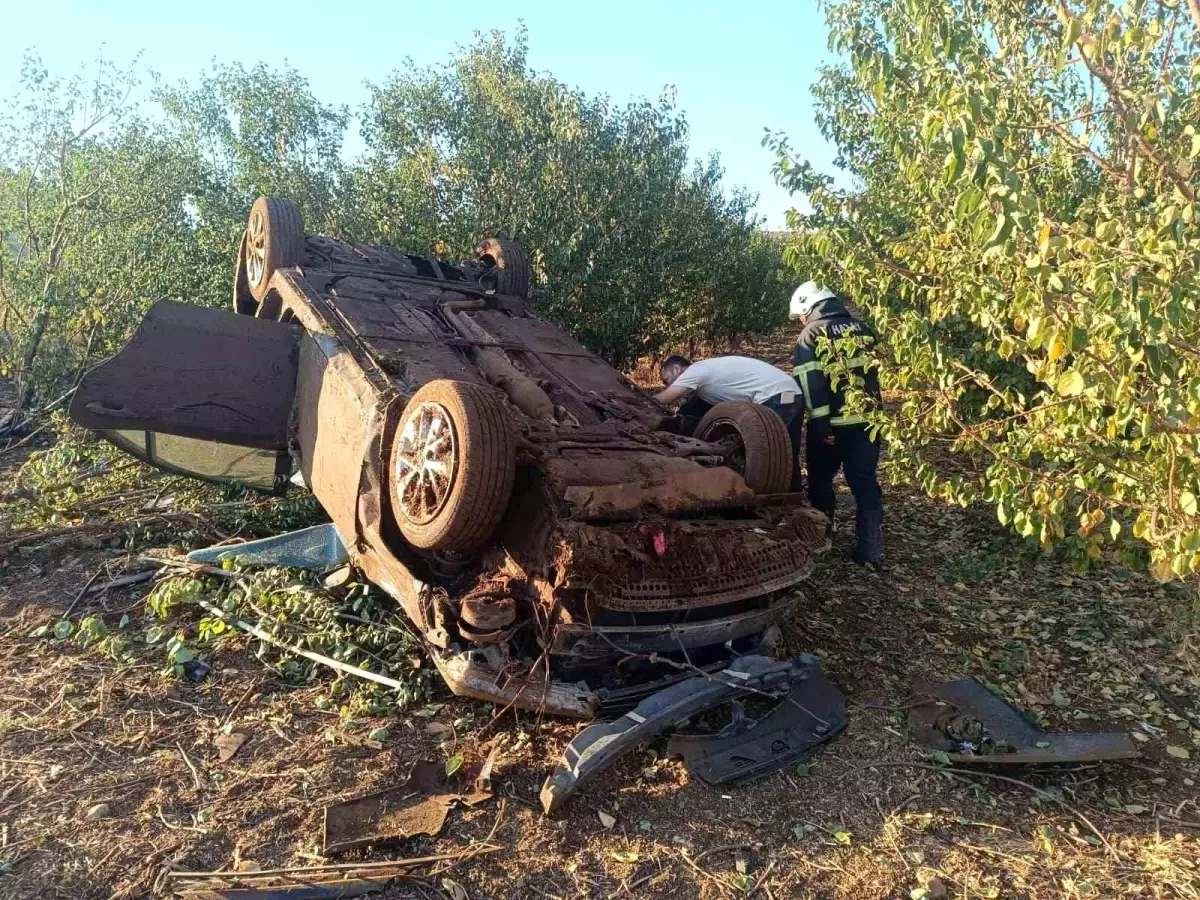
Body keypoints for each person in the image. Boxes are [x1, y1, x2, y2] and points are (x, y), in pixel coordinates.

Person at [789, 281, 884, 565]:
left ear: (809, 306)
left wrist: (822, 427)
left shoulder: (811, 334)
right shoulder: (864, 329)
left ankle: (822, 540)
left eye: (802, 316)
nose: (802, 322)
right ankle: (871, 551)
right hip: (868, 423)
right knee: (865, 483)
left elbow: (811, 383)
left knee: (819, 481)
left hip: (832, 426)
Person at [656, 354, 804, 491]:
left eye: (666, 380)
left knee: (759, 455)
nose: (666, 385)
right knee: (787, 454)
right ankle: (797, 500)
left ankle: (751, 499)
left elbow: (665, 398)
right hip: (790, 393)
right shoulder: (708, 376)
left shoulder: (695, 371)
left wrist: (638, 403)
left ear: (676, 369)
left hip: (776, 396)